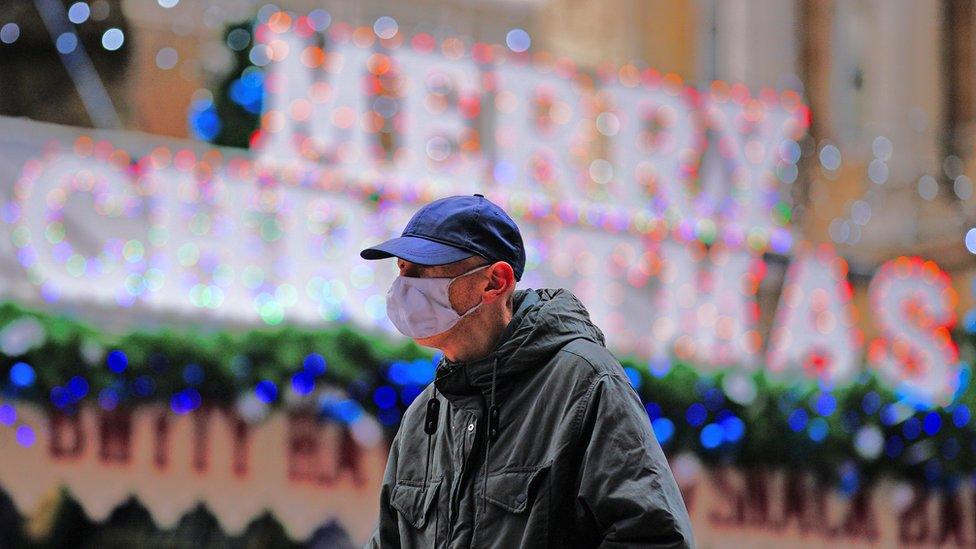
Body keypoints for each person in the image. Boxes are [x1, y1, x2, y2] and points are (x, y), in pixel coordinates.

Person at [360, 193, 694, 548]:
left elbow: (654, 539)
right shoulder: (423, 415)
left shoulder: (585, 384)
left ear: (495, 281)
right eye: (401, 269)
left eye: (423, 270)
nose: (404, 287)